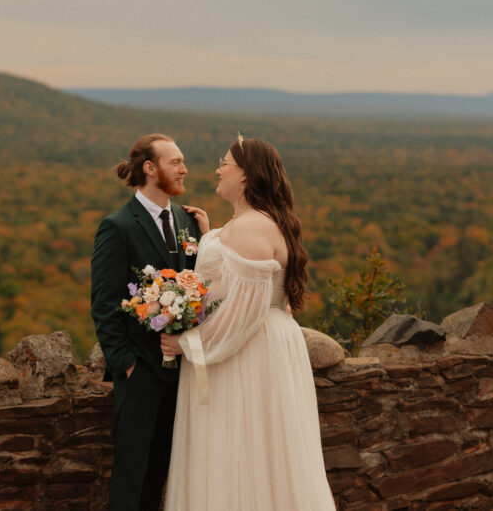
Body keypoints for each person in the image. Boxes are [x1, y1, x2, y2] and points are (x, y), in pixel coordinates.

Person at [160, 137, 336, 511]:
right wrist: (210, 234)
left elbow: (243, 313)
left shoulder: (250, 227)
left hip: (247, 352)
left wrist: (187, 344)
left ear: (245, 175)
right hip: (263, 343)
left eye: (224, 163)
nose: (217, 169)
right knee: (263, 449)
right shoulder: (253, 222)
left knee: (240, 447)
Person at [90, 133, 204, 511]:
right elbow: (105, 305)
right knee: (132, 475)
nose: (184, 169)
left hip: (182, 370)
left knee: (162, 472)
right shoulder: (118, 226)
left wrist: (207, 237)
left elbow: (200, 283)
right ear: (150, 169)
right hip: (140, 374)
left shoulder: (187, 220)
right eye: (175, 162)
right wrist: (127, 365)